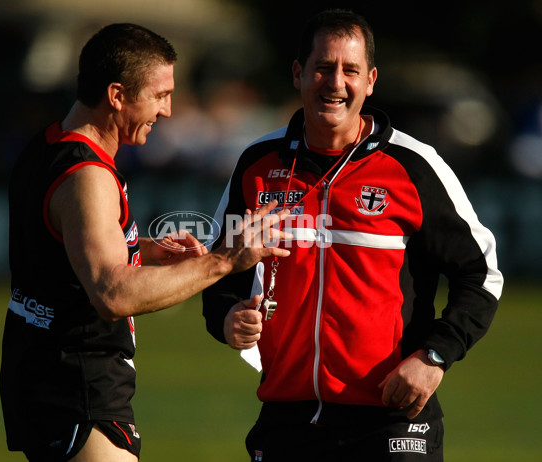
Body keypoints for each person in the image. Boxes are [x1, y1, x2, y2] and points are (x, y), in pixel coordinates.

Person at [202, 9, 503, 461]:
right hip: (289, 417)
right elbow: (216, 268)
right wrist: (226, 321)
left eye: (350, 70)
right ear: (299, 73)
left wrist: (433, 358)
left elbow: (482, 275)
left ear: (371, 80)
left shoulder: (414, 166)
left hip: (392, 417)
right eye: (322, 68)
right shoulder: (257, 164)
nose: (335, 83)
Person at [0, 23, 291, 462]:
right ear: (117, 95)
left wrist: (144, 250)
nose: (169, 111)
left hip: (44, 381)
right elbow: (112, 293)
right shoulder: (87, 177)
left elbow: (62, 254)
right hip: (79, 387)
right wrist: (224, 260)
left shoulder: (48, 145)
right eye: (159, 95)